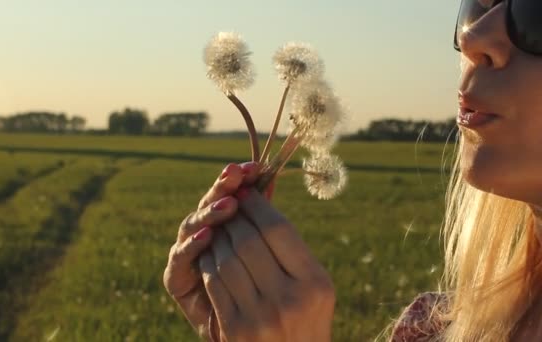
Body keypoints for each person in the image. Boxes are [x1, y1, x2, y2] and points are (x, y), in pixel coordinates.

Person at [164, 0, 542, 340]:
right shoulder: (430, 328)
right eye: (479, 4)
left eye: (534, 12)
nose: (473, 35)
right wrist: (237, 321)